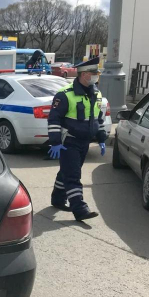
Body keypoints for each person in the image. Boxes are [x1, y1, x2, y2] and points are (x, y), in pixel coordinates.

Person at [48, 56, 106, 221]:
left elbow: (98, 118)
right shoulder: (65, 95)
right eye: (94, 72)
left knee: (66, 172)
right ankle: (80, 209)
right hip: (69, 142)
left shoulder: (96, 93)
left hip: (84, 142)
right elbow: (54, 119)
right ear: (84, 74)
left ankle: (58, 199)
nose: (96, 75)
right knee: (73, 176)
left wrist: (101, 138)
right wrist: (56, 142)